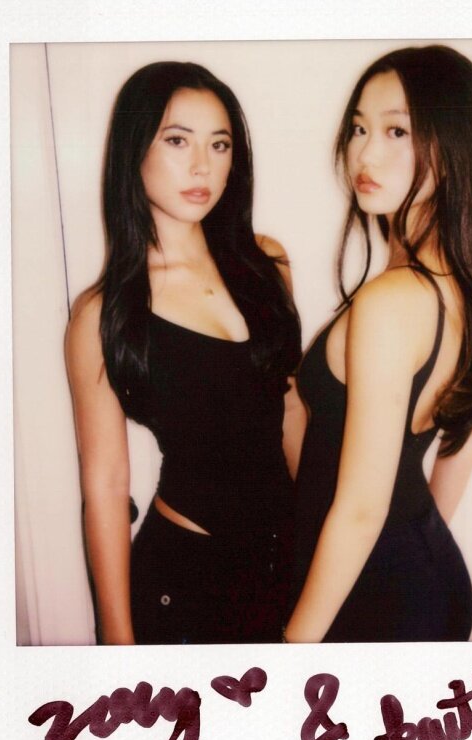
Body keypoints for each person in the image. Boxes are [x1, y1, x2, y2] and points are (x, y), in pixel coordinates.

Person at [285, 46, 472, 643]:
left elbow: (363, 509)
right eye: (359, 129)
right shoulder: (470, 285)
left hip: (374, 596)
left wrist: (290, 652)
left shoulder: (391, 301)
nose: (366, 154)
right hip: (417, 573)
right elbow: (465, 437)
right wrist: (418, 544)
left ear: (452, 146)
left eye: (397, 131)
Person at [66, 61, 303, 645]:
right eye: (177, 141)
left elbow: (290, 407)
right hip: (187, 581)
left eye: (219, 145)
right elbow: (105, 485)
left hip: (285, 564)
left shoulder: (266, 263)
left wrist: (319, 533)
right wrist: (118, 643)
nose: (202, 166)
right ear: (134, 150)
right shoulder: (104, 314)